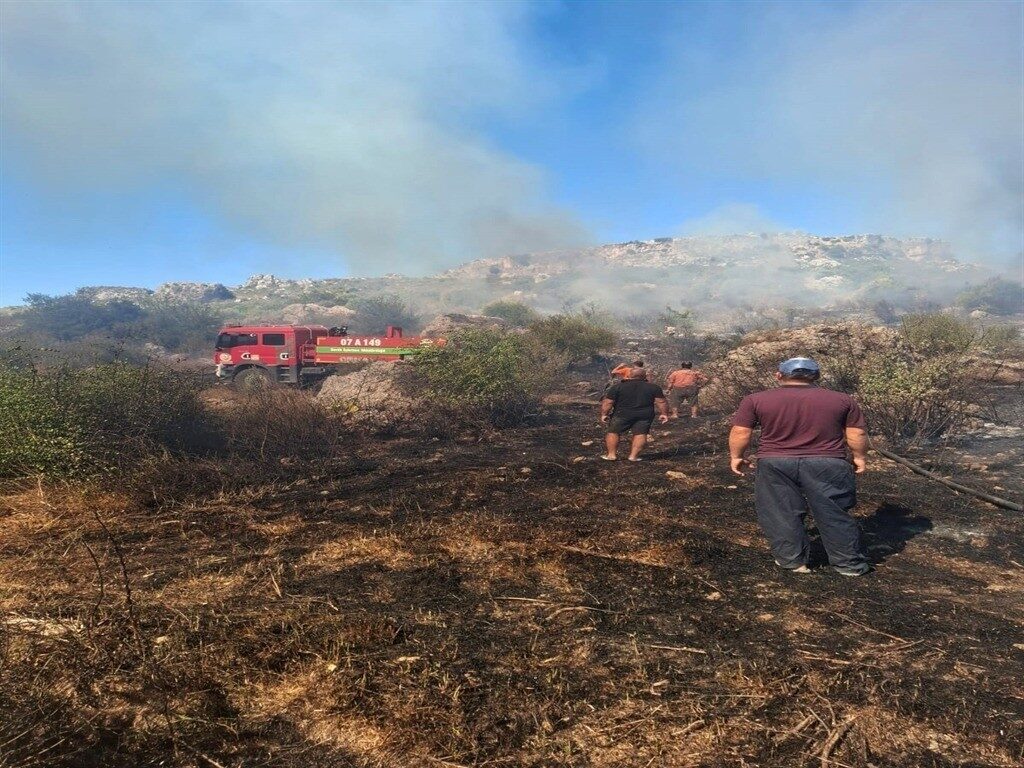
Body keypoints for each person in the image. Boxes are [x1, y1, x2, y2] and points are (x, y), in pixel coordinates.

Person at [728, 357, 871, 576]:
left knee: (780, 511)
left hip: (775, 463)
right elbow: (857, 433)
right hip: (828, 462)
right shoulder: (842, 400)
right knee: (834, 511)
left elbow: (740, 431)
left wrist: (736, 456)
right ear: (817, 376)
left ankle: (793, 561)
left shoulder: (755, 399)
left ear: (779, 375)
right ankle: (848, 565)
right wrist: (859, 456)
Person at [601, 366, 669, 461]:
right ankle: (633, 457)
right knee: (640, 433)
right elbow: (661, 402)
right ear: (645, 376)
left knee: (613, 432)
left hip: (622, 414)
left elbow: (608, 402)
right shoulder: (654, 387)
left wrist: (604, 414)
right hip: (644, 415)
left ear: (629, 375)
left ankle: (611, 455)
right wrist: (664, 414)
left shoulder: (618, 387)